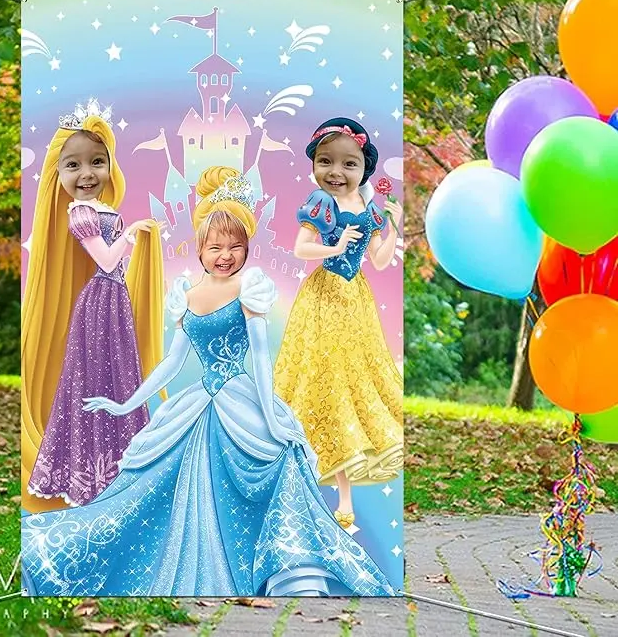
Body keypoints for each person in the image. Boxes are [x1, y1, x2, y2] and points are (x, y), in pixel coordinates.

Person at [21, 165, 394, 598]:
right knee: (149, 487)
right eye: (216, 246)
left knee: (279, 461)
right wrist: (125, 404)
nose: (225, 255)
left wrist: (272, 416)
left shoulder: (250, 288)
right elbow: (172, 363)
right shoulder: (187, 295)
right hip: (198, 404)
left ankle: (280, 566)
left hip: (242, 400)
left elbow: (259, 357)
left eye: (236, 247)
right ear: (200, 248)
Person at [22, 99, 165, 512]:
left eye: (97, 162)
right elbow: (105, 260)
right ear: (58, 173)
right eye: (73, 165)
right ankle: (89, 470)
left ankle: (119, 464)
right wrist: (132, 234)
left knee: (118, 376)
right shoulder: (80, 213)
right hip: (100, 302)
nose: (87, 174)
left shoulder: (101, 208)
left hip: (113, 300)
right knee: (93, 379)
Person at [274, 117, 404, 529]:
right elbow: (301, 248)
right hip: (324, 298)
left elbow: (379, 261)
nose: (336, 172)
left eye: (349, 164)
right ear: (314, 163)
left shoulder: (369, 209)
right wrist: (334, 245)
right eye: (326, 161)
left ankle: (345, 500)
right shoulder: (320, 202)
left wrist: (393, 226)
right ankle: (306, 485)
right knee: (323, 382)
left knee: (351, 384)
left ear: (364, 168)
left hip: (355, 302)